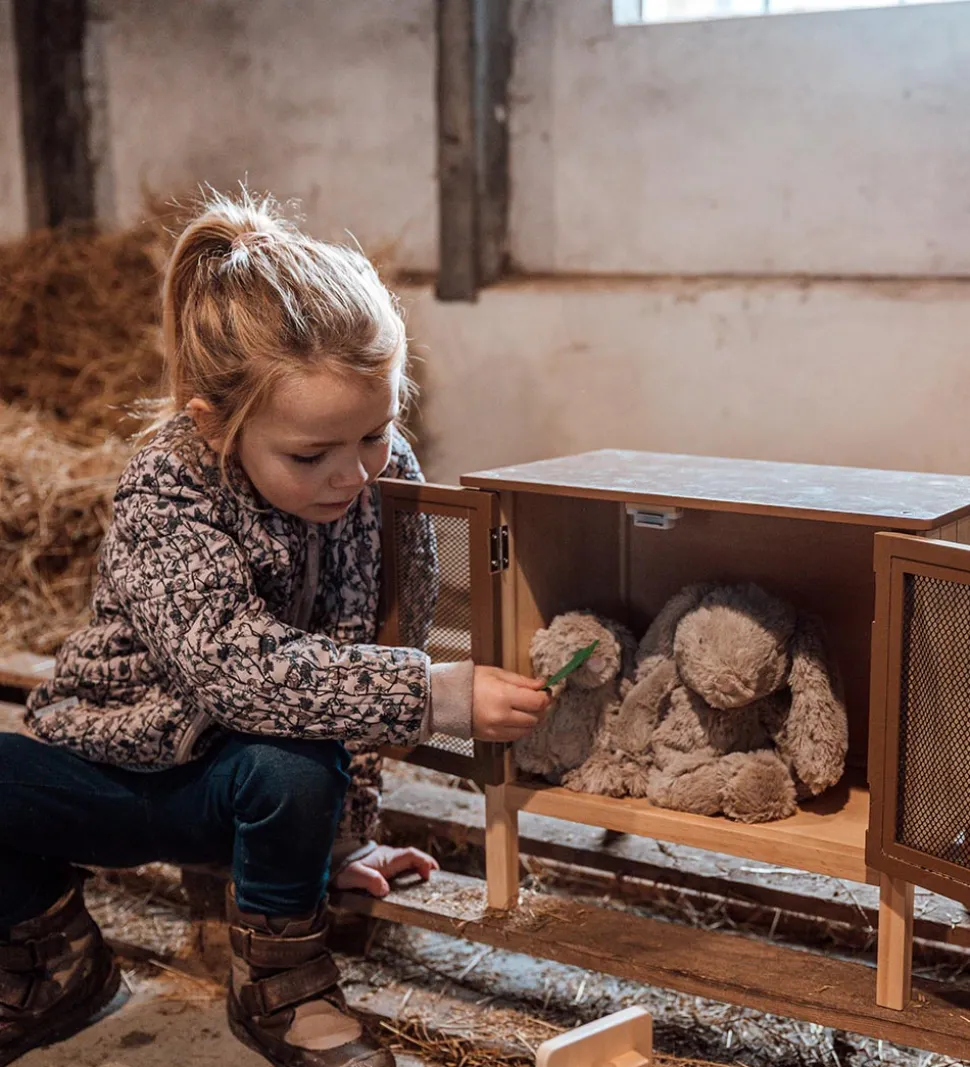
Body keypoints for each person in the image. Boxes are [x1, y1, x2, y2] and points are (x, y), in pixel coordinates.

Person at [0, 191, 549, 1067]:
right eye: (310, 455)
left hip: (248, 784)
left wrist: (347, 833)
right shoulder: (168, 490)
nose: (352, 474)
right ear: (216, 425)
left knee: (296, 762)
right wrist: (433, 694)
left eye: (375, 431)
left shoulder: (380, 477)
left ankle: (281, 985)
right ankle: (52, 958)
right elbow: (236, 669)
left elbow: (362, 648)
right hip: (116, 769)